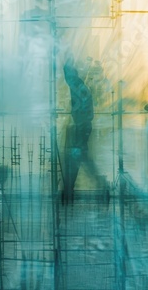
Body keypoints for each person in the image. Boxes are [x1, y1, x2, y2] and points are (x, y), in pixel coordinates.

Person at [62, 58, 94, 202]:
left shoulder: (78, 86)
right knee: (78, 157)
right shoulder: (79, 86)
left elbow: (85, 110)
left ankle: (69, 191)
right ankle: (69, 190)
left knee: (77, 157)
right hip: (81, 126)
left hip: (81, 127)